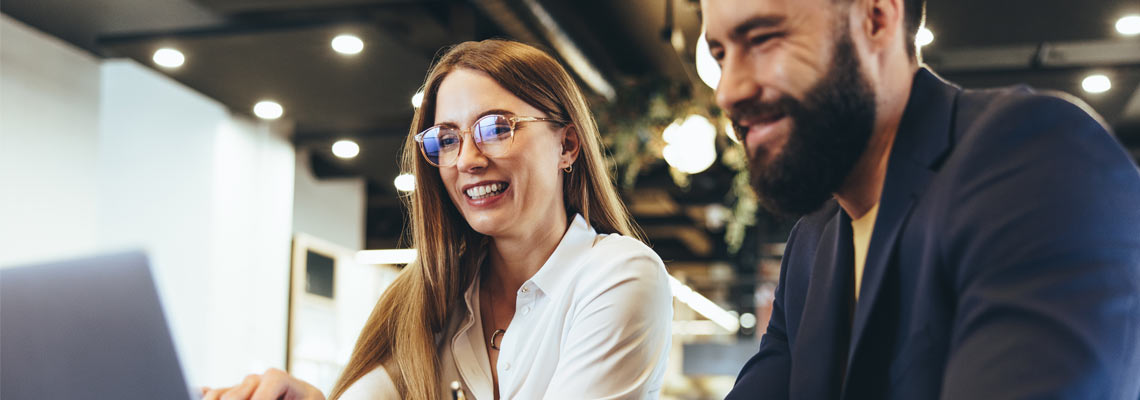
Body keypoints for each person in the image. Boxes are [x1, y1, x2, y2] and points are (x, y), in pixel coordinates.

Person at [701, 0, 1140, 398]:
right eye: (720, 54)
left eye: (762, 39)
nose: (728, 91)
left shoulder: (1037, 159)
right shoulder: (811, 243)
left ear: (876, 19)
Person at [201, 39, 673, 400]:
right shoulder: (424, 298)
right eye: (446, 138)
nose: (467, 158)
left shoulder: (619, 275)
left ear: (567, 145)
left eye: (495, 128)